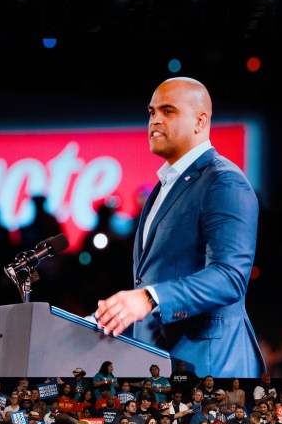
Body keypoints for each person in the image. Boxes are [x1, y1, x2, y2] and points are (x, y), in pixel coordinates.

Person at [94, 77, 264, 377]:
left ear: (200, 121)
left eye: (168, 111)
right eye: (151, 112)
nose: (155, 120)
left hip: (210, 367)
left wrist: (150, 297)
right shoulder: (164, 187)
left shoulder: (223, 181)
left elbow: (230, 277)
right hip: (160, 366)